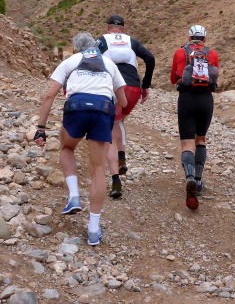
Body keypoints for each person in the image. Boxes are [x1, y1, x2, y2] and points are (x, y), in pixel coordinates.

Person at [34, 32, 127, 246]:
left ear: (76, 49)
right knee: (98, 169)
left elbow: (49, 95)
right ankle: (93, 230)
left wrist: (41, 128)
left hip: (76, 108)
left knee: (67, 148)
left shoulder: (70, 61)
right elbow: (122, 101)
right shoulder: (110, 64)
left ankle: (74, 196)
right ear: (95, 46)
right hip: (103, 110)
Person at [97, 14, 155, 199]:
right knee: (120, 121)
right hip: (133, 88)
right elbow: (150, 58)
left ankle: (116, 181)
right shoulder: (132, 41)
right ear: (122, 29)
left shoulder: (101, 40)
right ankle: (122, 156)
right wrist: (146, 84)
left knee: (110, 128)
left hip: (112, 88)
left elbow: (87, 59)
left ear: (108, 28)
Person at [170, 25, 219, 211]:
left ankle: (189, 177)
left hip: (187, 98)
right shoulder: (212, 54)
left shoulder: (179, 52)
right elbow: (215, 78)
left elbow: (173, 79)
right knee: (201, 140)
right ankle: (198, 181)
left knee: (187, 143)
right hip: (206, 99)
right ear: (204, 39)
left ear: (189, 37)